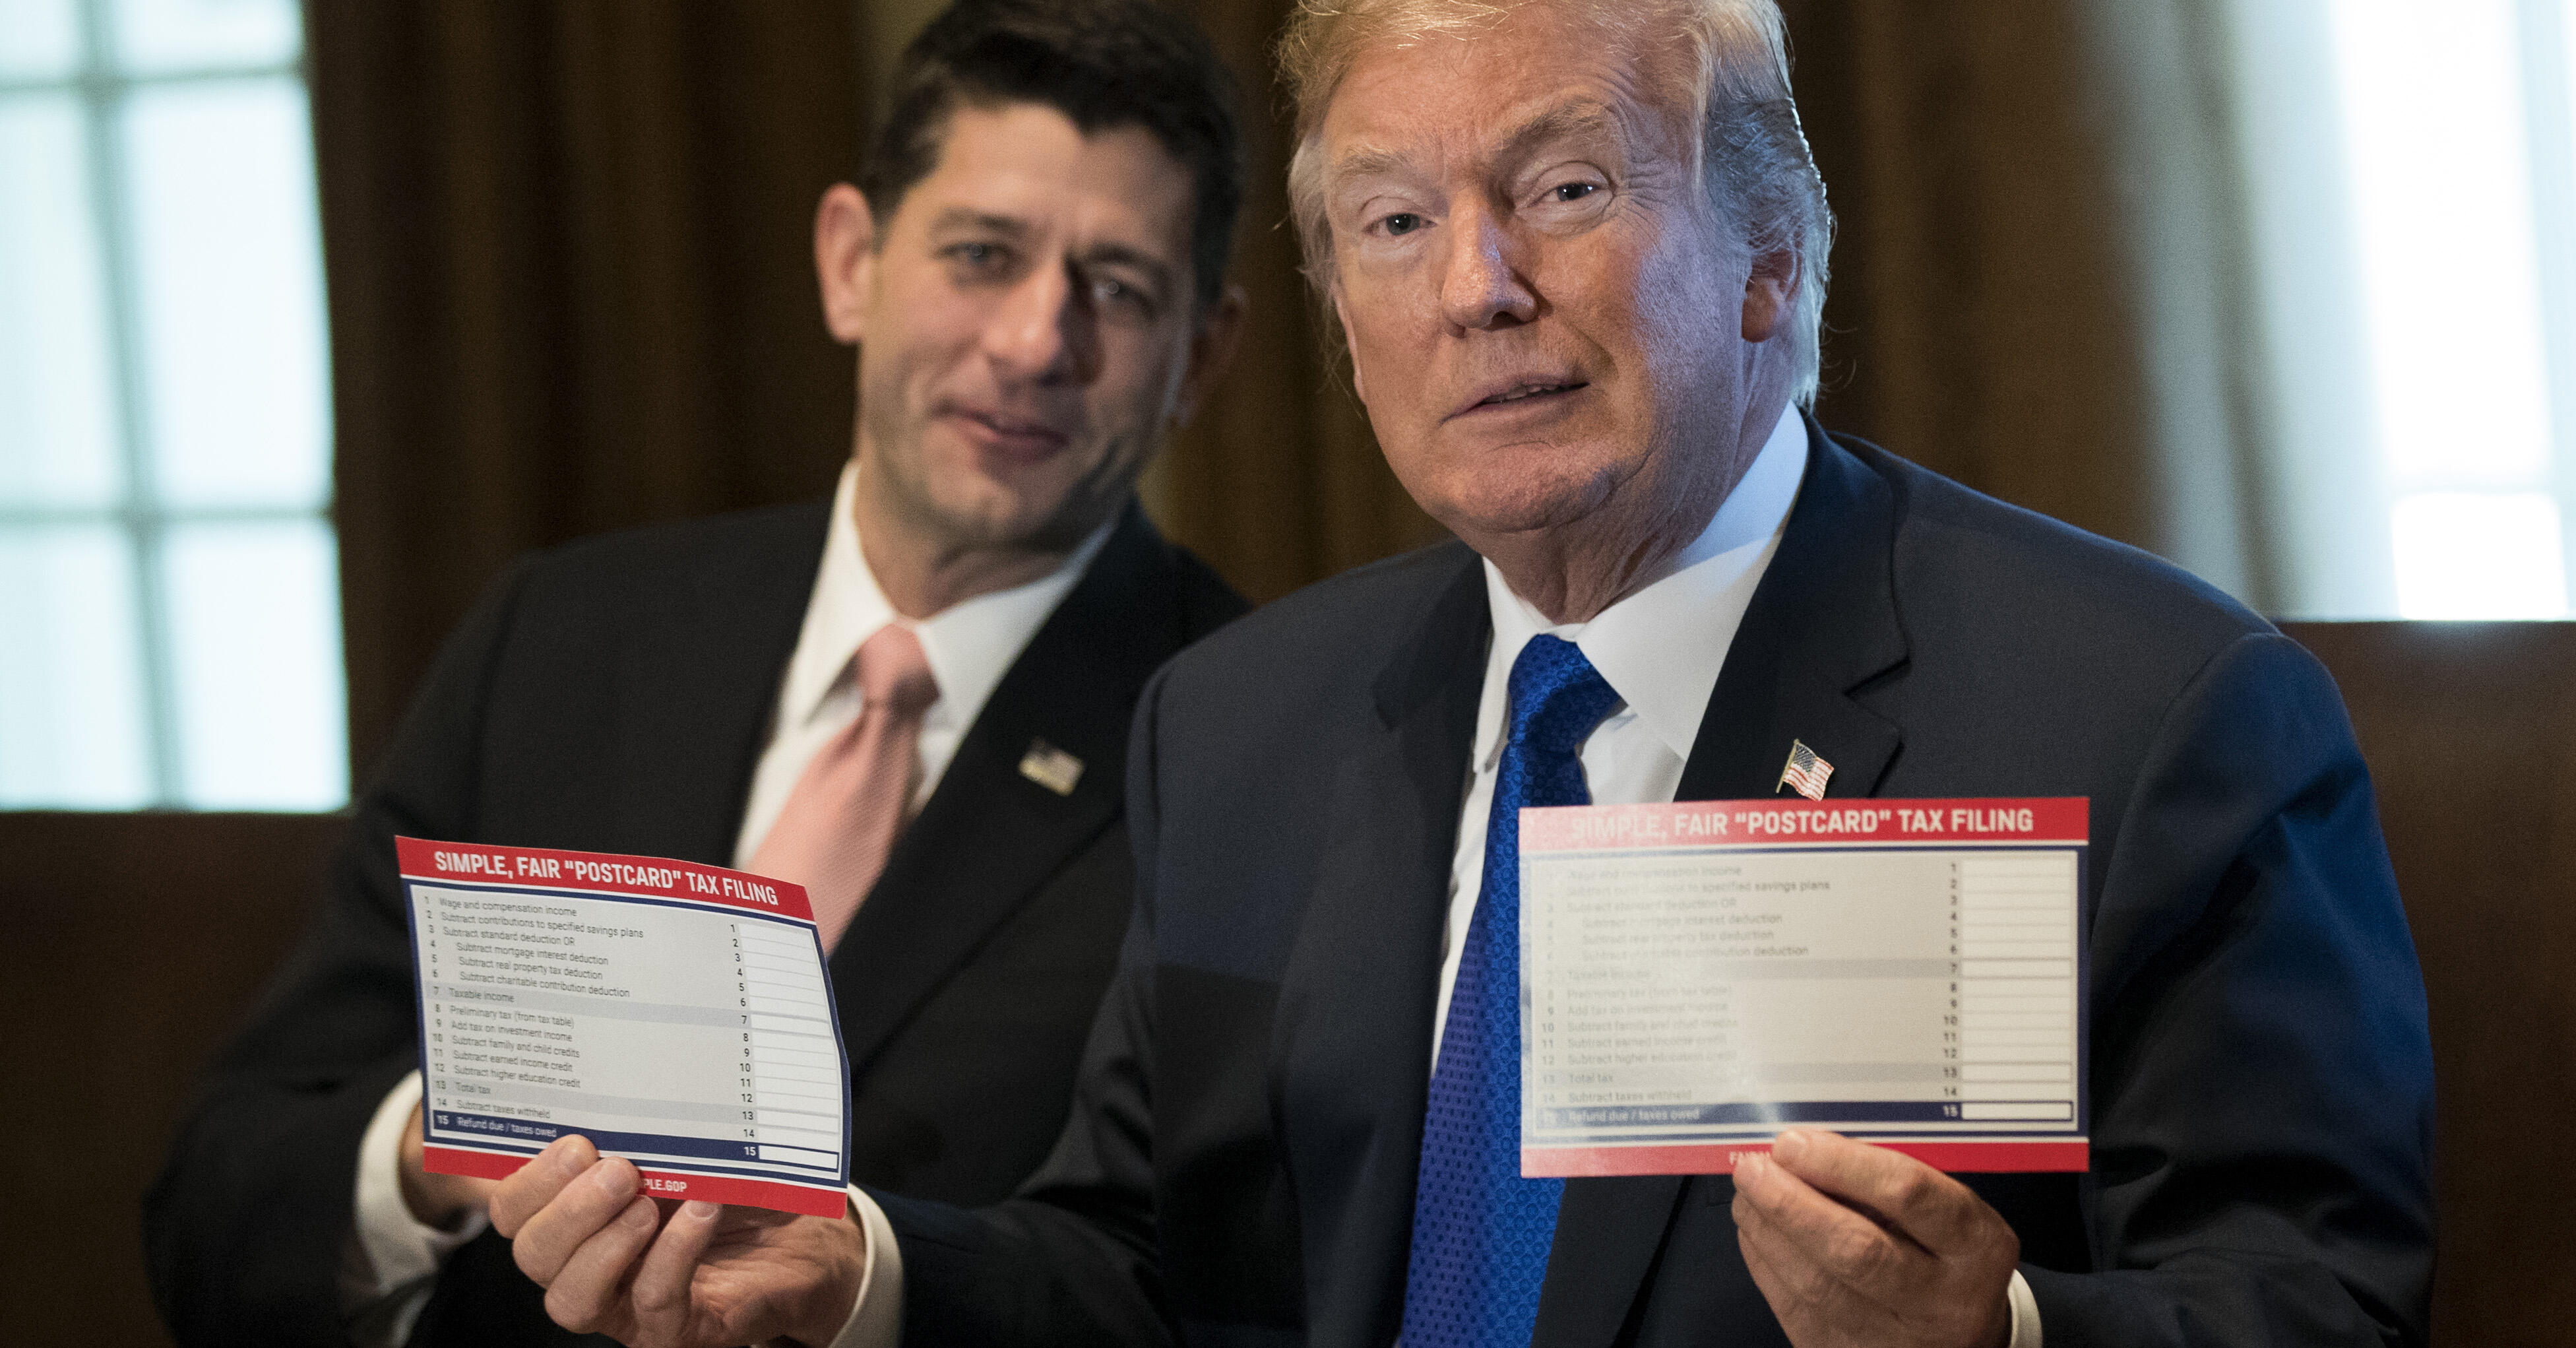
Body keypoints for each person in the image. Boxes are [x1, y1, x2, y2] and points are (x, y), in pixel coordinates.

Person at [468, 0, 2437, 1345]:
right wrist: (861, 1272)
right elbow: (1145, 1263)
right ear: (1341, 326)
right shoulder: (1243, 721)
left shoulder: (2153, 713)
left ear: (1770, 263)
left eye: (1565, 190)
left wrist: (1995, 1328)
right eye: (1394, 224)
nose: (1475, 284)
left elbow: (2319, 1299)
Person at [142, 1, 1249, 1344]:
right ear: (851, 261)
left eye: (1117, 288)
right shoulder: (560, 635)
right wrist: (444, 1148)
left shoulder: (1249, 737)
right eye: (981, 254)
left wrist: (872, 1284)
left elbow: (1224, 1291)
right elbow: (218, 1191)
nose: (1032, 340)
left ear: (1200, 356)